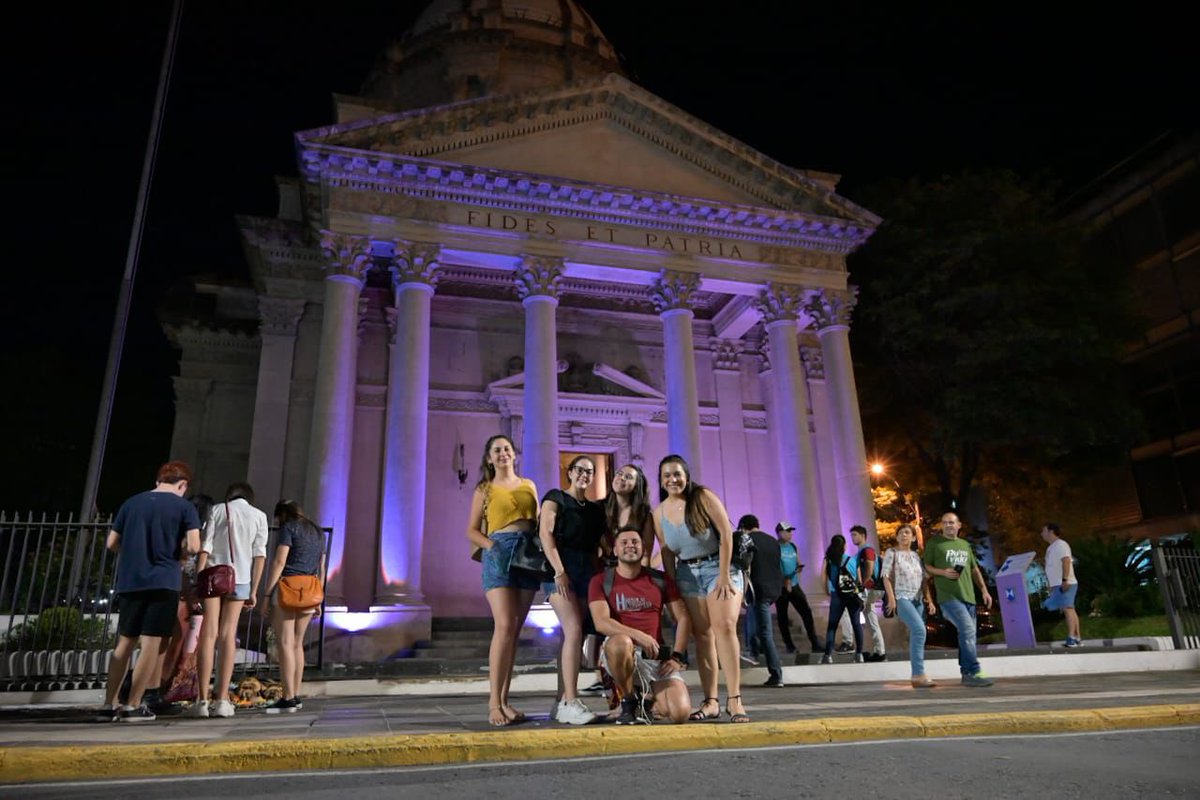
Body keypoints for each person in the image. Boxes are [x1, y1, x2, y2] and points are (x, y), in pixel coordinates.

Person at [99, 460, 202, 722]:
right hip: (163, 580)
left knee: (124, 642)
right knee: (151, 644)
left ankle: (108, 704)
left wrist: (135, 553)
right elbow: (193, 546)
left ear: (158, 482)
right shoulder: (185, 507)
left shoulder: (131, 503)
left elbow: (111, 543)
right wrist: (177, 553)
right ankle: (133, 705)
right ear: (183, 485)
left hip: (130, 580)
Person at [652, 454, 749, 723]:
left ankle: (735, 699)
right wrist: (672, 588)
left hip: (719, 568)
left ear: (686, 475)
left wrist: (724, 576)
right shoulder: (658, 513)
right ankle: (711, 702)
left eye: (677, 474)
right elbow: (667, 552)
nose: (673, 479)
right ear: (660, 480)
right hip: (686, 575)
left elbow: (726, 534)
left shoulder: (703, 496)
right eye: (667, 475)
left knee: (725, 627)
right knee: (703, 637)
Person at [466, 434, 540, 727]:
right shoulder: (484, 489)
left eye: (506, 449)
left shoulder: (529, 485)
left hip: (528, 554)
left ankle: (506, 700)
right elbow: (471, 530)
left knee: (515, 630)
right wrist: (491, 547)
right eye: (496, 450)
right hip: (499, 551)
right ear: (489, 458)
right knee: (505, 625)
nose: (502, 454)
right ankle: (493, 703)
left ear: (514, 455)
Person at [588, 527, 692, 724]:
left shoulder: (659, 579)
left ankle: (647, 700)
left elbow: (684, 619)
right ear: (615, 550)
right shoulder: (600, 580)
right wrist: (638, 636)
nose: (630, 546)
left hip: (653, 657)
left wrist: (677, 657)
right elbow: (601, 622)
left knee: (680, 714)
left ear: (643, 548)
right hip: (619, 652)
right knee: (621, 643)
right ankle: (628, 700)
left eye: (635, 542)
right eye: (624, 542)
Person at [190, 482, 269, 718]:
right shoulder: (259, 516)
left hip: (215, 575)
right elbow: (260, 554)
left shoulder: (217, 510)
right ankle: (222, 699)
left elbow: (206, 546)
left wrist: (198, 578)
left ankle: (202, 700)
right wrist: (254, 590)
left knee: (208, 633)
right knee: (228, 635)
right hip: (241, 578)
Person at [539, 455, 605, 725]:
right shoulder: (556, 497)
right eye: (580, 470)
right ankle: (570, 700)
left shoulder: (593, 509)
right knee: (574, 630)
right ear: (570, 472)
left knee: (573, 635)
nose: (585, 475)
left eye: (590, 472)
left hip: (586, 573)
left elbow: (599, 546)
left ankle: (560, 701)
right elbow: (546, 534)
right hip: (559, 571)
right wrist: (559, 571)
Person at [263, 500, 326, 713]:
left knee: (285, 643)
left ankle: (287, 697)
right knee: (298, 644)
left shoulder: (288, 528)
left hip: (288, 588)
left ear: (282, 515)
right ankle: (296, 694)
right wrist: (319, 596)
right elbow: (322, 567)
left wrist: (266, 593)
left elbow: (279, 562)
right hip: (310, 589)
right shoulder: (317, 532)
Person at [924, 512, 994, 687]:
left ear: (959, 525)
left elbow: (974, 569)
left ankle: (966, 674)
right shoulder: (934, 543)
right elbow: (926, 566)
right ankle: (975, 671)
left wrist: (984, 591)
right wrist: (943, 572)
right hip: (949, 597)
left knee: (967, 634)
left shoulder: (964, 545)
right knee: (968, 631)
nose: (948, 525)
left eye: (951, 522)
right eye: (945, 523)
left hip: (968, 596)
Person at [882, 524, 938, 687]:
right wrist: (892, 599)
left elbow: (924, 579)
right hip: (902, 597)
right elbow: (886, 576)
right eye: (900, 533)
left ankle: (916, 676)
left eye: (907, 533)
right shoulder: (892, 553)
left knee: (917, 634)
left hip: (918, 599)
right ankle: (919, 673)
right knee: (920, 630)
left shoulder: (915, 556)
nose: (903, 535)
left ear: (913, 537)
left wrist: (929, 599)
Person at [741, 515, 785, 687]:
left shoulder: (747, 540)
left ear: (744, 527)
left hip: (758, 589)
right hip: (774, 588)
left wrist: (743, 592)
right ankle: (752, 649)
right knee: (754, 618)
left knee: (765, 633)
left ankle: (776, 673)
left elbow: (746, 567)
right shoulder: (772, 541)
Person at [774, 522, 822, 654]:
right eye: (787, 531)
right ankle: (790, 646)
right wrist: (785, 580)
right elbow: (775, 567)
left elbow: (797, 560)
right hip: (781, 588)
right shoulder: (775, 547)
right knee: (782, 617)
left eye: (791, 531)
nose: (790, 534)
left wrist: (799, 566)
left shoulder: (792, 546)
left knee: (806, 612)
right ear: (780, 533)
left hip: (794, 585)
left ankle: (815, 643)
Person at [820, 533, 864, 664]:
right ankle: (859, 654)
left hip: (836, 595)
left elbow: (822, 577)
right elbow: (859, 580)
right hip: (851, 595)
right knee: (856, 625)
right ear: (844, 546)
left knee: (832, 626)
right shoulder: (852, 560)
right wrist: (859, 595)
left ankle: (827, 655)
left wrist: (826, 590)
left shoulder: (828, 560)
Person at [1041, 522, 1081, 647]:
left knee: (1067, 609)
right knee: (1070, 609)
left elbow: (1066, 562)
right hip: (1058, 584)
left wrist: (1065, 580)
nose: (1041, 534)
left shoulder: (1061, 545)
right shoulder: (1051, 548)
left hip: (1065, 583)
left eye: (1043, 531)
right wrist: (1051, 584)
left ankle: (1072, 638)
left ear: (1051, 531)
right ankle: (1076, 637)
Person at [850, 525, 887, 662]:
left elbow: (870, 567)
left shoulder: (867, 550)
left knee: (851, 612)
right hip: (872, 589)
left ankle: (853, 647)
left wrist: (863, 585)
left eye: (855, 535)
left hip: (871, 588)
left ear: (863, 535)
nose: (852, 538)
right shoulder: (861, 552)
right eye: (852, 535)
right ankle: (879, 651)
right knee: (871, 620)